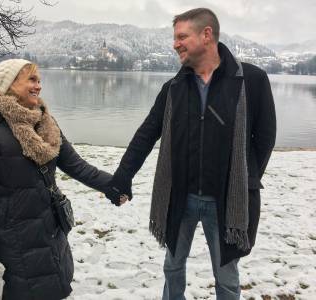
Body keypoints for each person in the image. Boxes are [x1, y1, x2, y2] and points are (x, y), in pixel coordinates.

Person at [106, 8, 276, 300]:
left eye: (182, 36)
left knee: (226, 277)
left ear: (206, 34)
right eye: (175, 38)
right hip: (180, 197)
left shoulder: (251, 80)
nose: (176, 44)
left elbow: (265, 138)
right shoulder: (174, 87)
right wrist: (122, 176)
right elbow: (147, 133)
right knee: (172, 267)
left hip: (225, 202)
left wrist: (246, 178)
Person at [0, 59, 126, 300]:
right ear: (10, 84)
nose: (39, 86)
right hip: (10, 244)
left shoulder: (44, 122)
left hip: (50, 233)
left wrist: (114, 185)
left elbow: (76, 166)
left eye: (40, 80)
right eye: (32, 80)